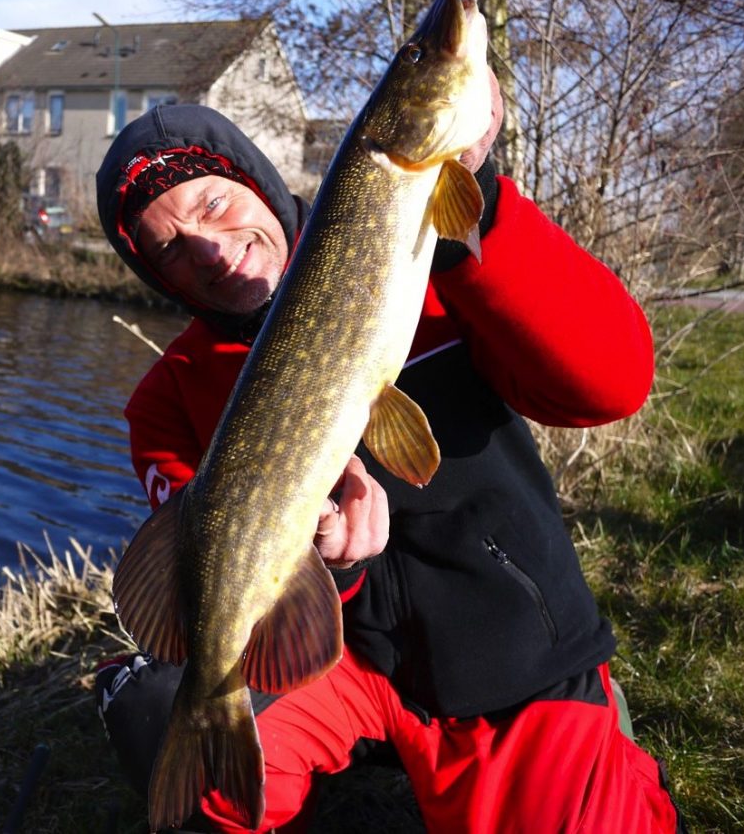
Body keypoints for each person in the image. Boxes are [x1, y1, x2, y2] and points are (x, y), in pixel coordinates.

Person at [93, 80, 684, 832]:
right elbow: (202, 583)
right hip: (341, 664)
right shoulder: (167, 397)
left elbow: (612, 385)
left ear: (259, 185)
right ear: (154, 274)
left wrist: (481, 199)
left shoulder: (427, 264)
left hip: (502, 651)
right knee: (166, 726)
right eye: (170, 246)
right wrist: (331, 570)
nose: (211, 248)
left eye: (215, 205)